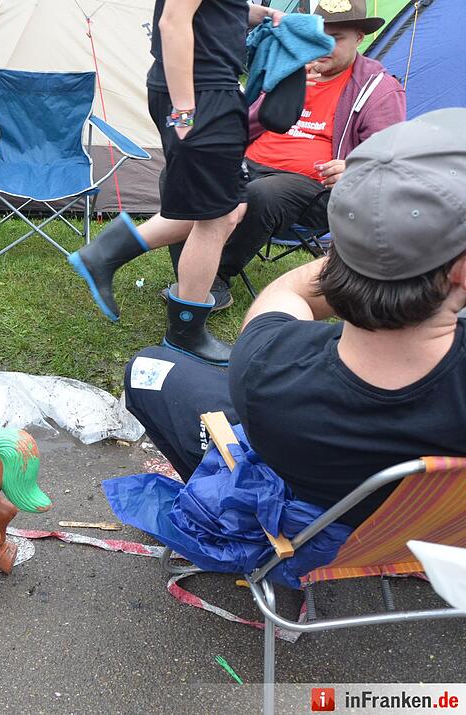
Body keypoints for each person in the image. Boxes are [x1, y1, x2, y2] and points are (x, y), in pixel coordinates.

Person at [123, 109, 466, 528]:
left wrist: (361, 258)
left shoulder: (270, 361)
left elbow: (291, 292)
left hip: (308, 533)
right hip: (420, 535)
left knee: (147, 367)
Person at [69, 0, 284, 366]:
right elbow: (174, 20)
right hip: (200, 94)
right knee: (215, 218)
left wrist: (256, 14)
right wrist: (184, 109)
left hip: (216, 90)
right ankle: (186, 333)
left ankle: (104, 254)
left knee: (227, 209)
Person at [167, 0, 405, 309]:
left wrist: (354, 167)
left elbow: (390, 155)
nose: (325, 45)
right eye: (320, 34)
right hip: (248, 164)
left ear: (360, 37)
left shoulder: (378, 88)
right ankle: (191, 277)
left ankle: (213, 280)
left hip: (315, 189)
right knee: (183, 173)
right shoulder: (289, 67)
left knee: (261, 194)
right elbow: (244, 124)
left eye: (338, 37)